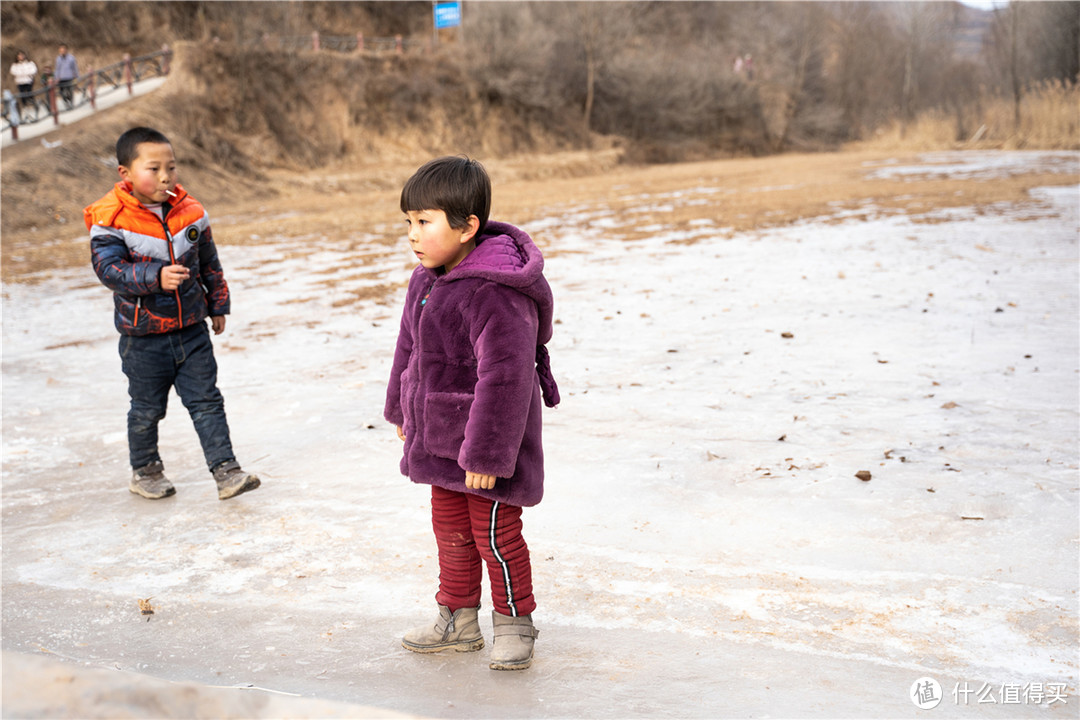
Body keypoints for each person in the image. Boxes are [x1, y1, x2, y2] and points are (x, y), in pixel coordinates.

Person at [385, 156, 560, 671]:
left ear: (467, 227)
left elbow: (506, 377)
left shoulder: (495, 292)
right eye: (408, 223)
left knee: (496, 538)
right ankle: (457, 619)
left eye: (424, 221)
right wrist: (400, 406)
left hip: (486, 446)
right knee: (450, 532)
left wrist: (486, 452)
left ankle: (514, 624)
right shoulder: (425, 280)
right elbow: (407, 348)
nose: (412, 235)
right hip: (438, 434)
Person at [84, 126, 260, 501]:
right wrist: (154, 276)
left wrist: (218, 303)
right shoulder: (110, 218)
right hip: (143, 339)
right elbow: (108, 270)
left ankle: (226, 471)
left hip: (192, 331)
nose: (165, 176)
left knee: (207, 401)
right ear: (125, 174)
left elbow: (209, 262)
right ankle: (145, 470)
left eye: (172, 167)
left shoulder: (191, 211)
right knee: (147, 409)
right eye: (154, 168)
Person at [53, 43, 77, 107]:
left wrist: (76, 76)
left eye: (63, 50)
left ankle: (71, 102)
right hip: (61, 78)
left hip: (69, 77)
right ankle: (66, 102)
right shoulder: (58, 59)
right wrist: (56, 78)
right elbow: (57, 69)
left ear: (66, 50)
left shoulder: (71, 58)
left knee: (70, 91)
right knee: (62, 92)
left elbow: (74, 67)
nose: (62, 52)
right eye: (61, 50)